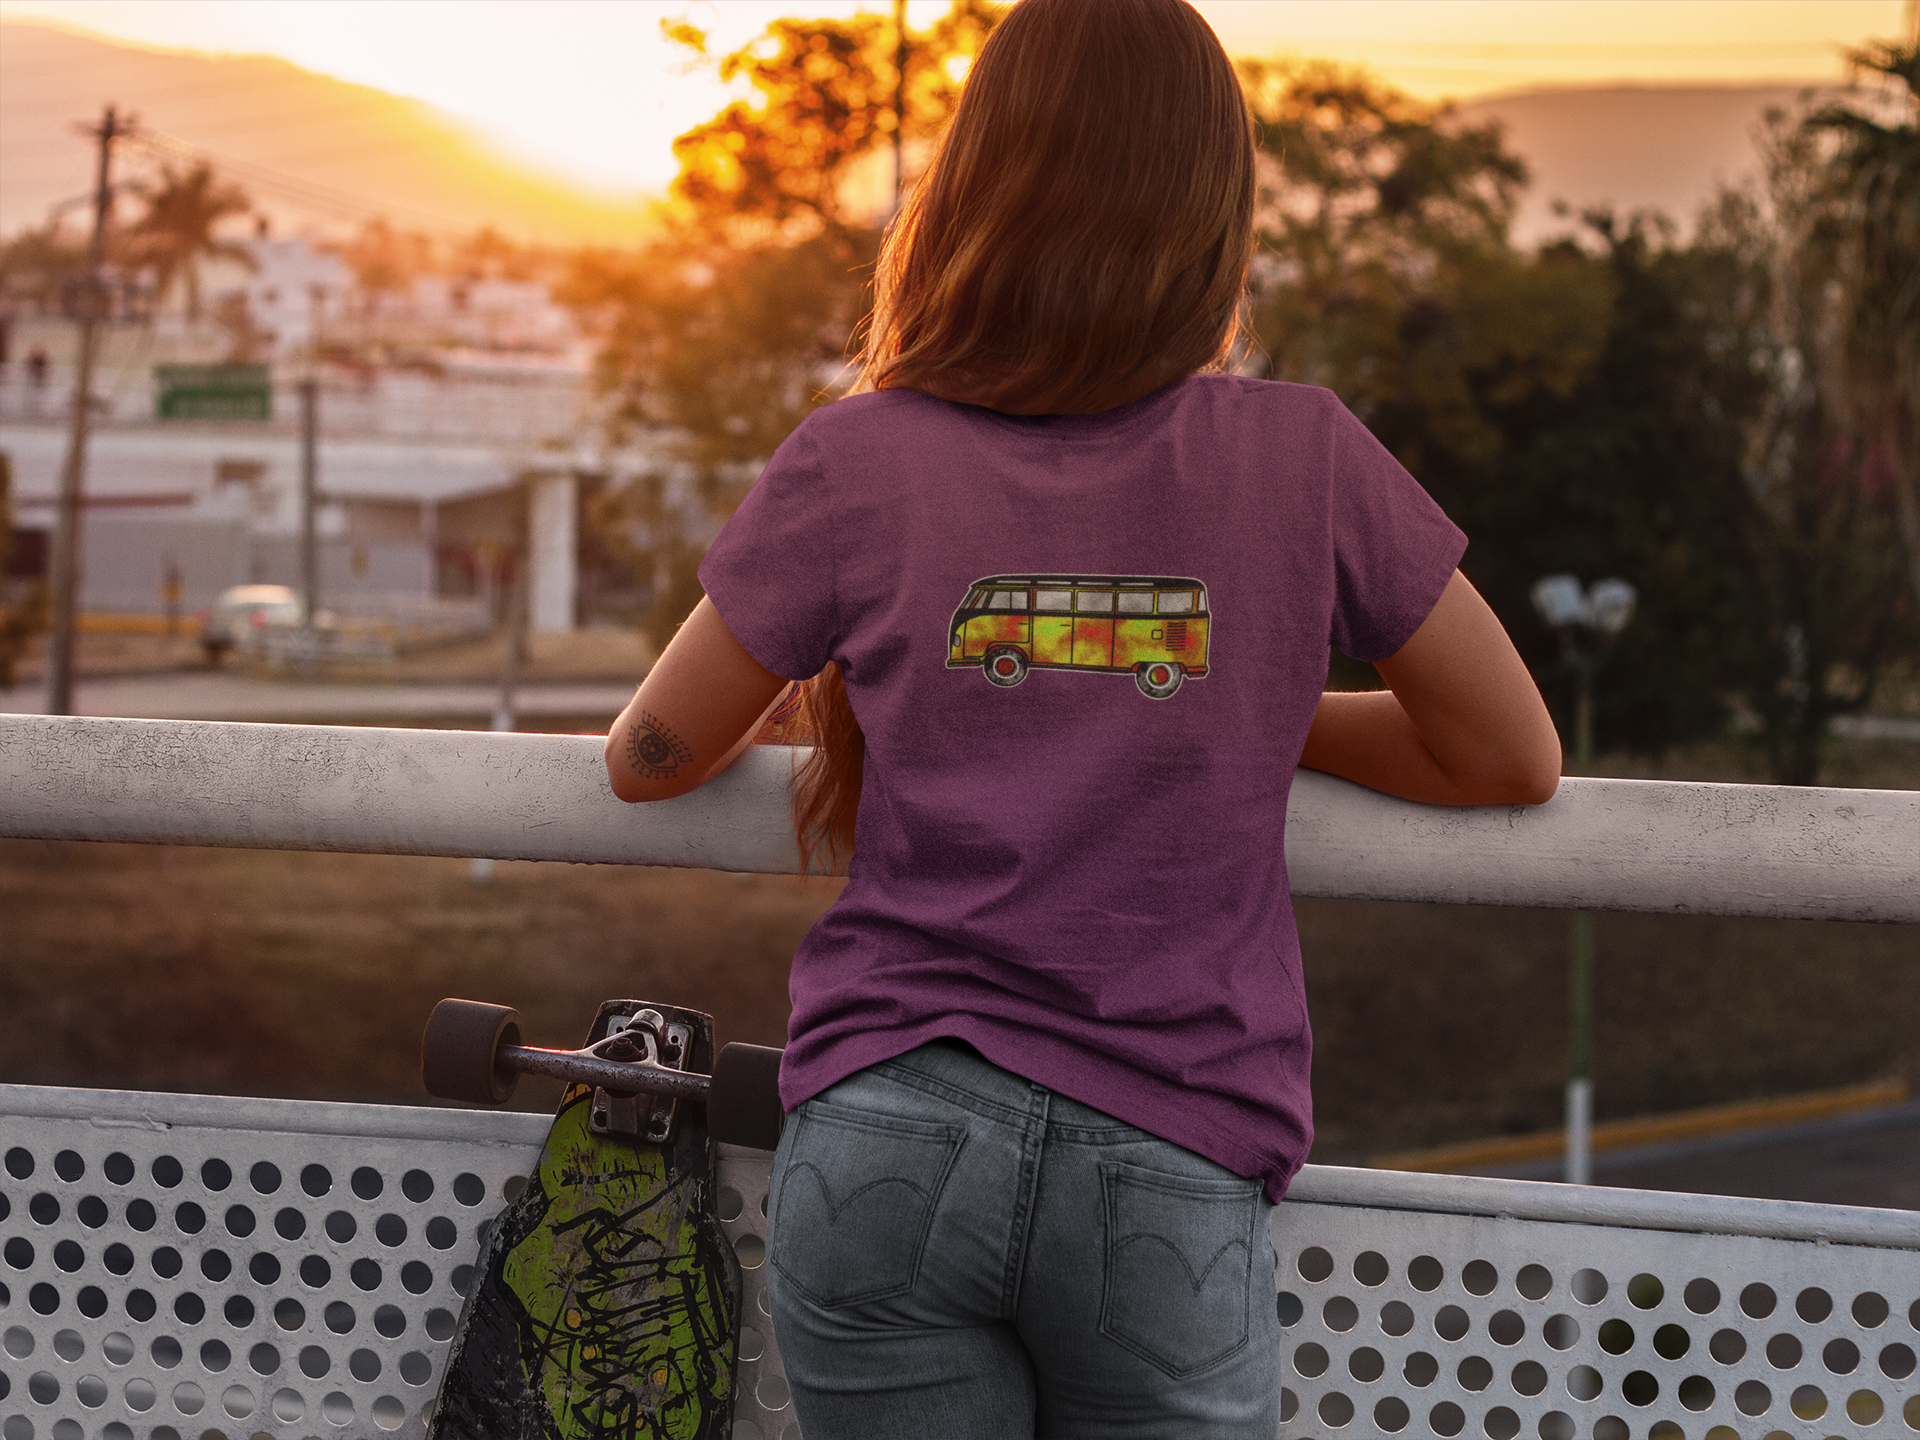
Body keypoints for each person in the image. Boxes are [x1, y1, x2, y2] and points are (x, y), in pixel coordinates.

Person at [605, 1, 1561, 1434]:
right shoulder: (1306, 455)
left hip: (886, 1136)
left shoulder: (861, 458)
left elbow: (648, 759)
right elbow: (1507, 756)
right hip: (1170, 1154)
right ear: (1211, 216)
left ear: (973, 194)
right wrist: (1253, 710)